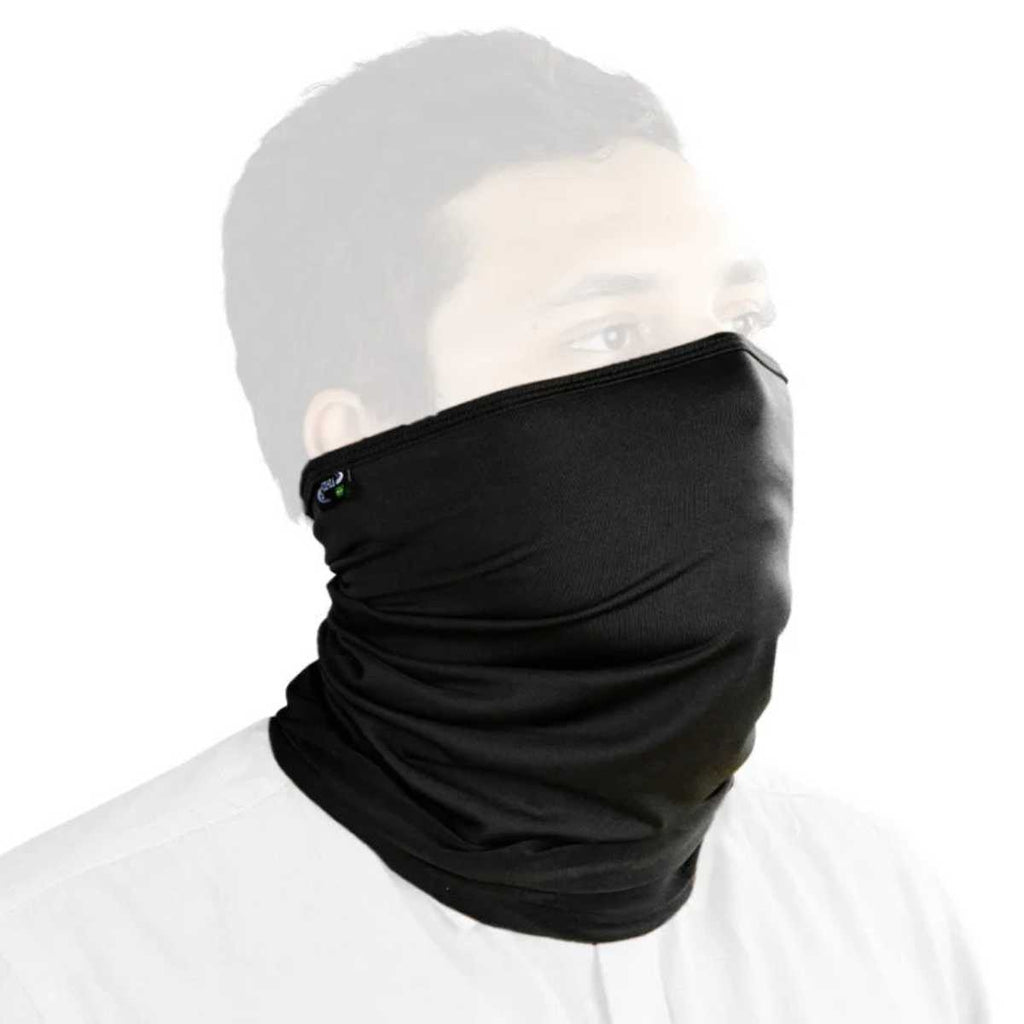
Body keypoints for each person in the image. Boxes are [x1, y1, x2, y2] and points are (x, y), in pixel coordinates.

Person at [0, 29, 990, 1023]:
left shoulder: (874, 908)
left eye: (738, 324)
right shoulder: (65, 969)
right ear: (362, 444)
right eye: (609, 335)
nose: (728, 397)